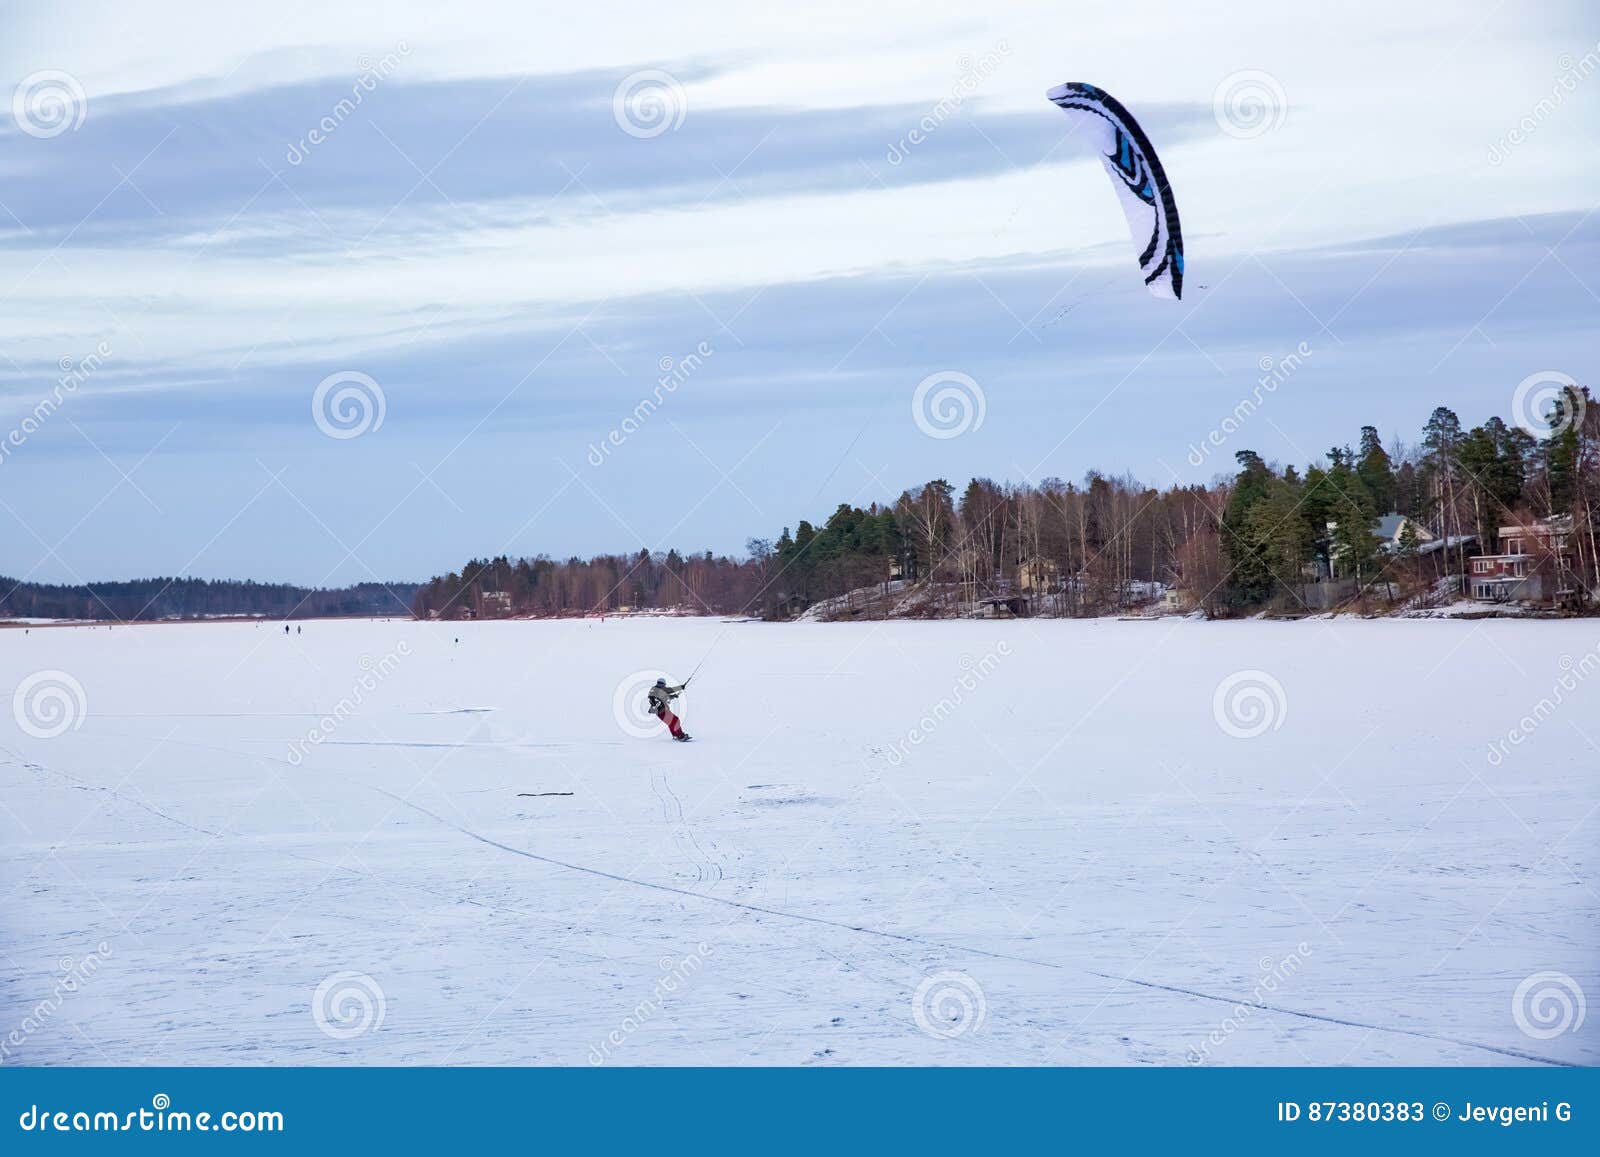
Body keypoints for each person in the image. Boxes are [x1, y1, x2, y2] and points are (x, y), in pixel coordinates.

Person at [646, 677, 690, 741]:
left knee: (671, 722)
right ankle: (680, 736)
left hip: (660, 712)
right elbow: (671, 690)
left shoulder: (654, 689)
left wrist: (674, 696)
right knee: (675, 720)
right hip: (662, 711)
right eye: (664, 685)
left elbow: (664, 697)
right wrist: (681, 687)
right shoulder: (660, 689)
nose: (664, 686)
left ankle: (675, 735)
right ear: (663, 684)